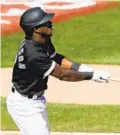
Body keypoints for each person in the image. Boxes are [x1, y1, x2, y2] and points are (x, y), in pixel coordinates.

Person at [6, 7, 110, 135]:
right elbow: (62, 75)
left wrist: (79, 67)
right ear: (35, 29)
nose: (50, 23)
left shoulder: (42, 41)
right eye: (45, 23)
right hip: (24, 105)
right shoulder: (33, 53)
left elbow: (56, 57)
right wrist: (91, 75)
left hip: (35, 100)